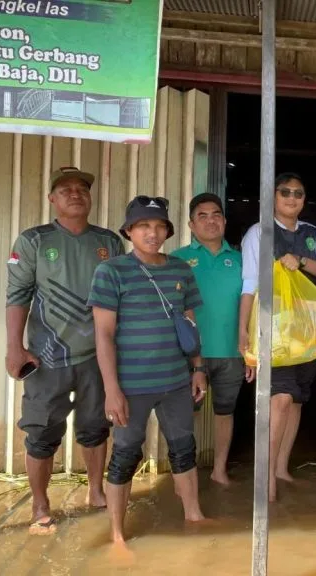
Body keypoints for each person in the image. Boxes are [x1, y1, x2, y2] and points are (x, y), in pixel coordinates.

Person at [5, 166, 124, 534]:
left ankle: (95, 490)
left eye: (82, 189)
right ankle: (40, 503)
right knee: (41, 433)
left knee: (95, 428)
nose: (76, 193)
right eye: (66, 189)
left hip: (97, 358)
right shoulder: (34, 240)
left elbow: (124, 298)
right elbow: (18, 294)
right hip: (47, 357)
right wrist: (14, 347)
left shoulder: (109, 241)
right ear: (52, 199)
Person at [88, 196, 209, 550]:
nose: (152, 233)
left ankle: (194, 515)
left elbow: (190, 324)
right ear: (129, 231)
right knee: (125, 454)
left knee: (184, 448)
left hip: (175, 381)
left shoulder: (180, 270)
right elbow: (104, 334)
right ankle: (116, 534)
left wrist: (198, 369)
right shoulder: (110, 272)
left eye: (159, 227)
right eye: (144, 227)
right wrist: (111, 389)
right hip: (131, 386)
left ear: (168, 231)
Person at [238, 172, 316, 502]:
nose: (292, 198)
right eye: (285, 192)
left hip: (308, 329)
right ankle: (264, 477)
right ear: (273, 197)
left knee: (296, 400)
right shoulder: (259, 232)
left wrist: (303, 261)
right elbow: (249, 283)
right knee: (278, 399)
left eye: (298, 193)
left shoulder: (311, 233)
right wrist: (243, 330)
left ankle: (280, 468)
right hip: (274, 327)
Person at [171, 193, 244, 486]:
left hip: (231, 352)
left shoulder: (240, 260)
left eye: (216, 214)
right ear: (191, 223)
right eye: (202, 215)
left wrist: (250, 353)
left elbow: (252, 307)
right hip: (188, 354)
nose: (211, 220)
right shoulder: (176, 259)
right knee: (185, 414)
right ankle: (183, 475)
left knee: (225, 411)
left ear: (225, 221)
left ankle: (219, 470)